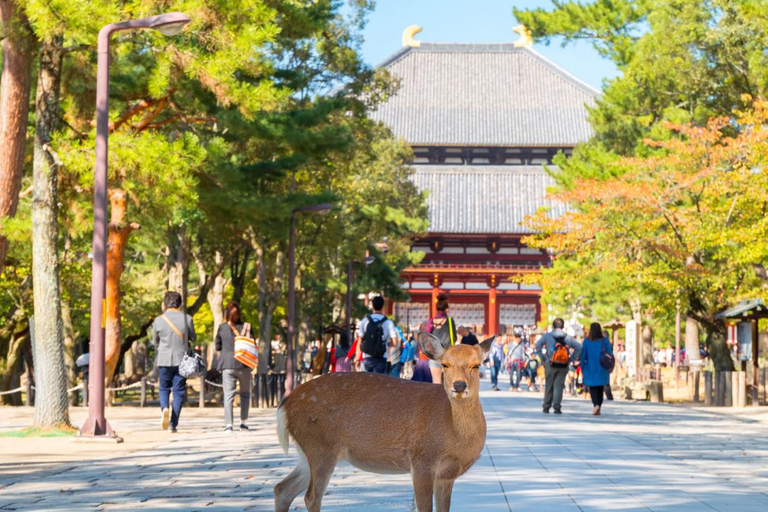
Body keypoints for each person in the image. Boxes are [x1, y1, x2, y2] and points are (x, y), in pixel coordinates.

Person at [152, 291, 196, 433]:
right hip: (182, 359)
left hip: (164, 359)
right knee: (179, 391)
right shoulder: (187, 319)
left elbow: (155, 342)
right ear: (180, 303)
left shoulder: (158, 320)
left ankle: (164, 407)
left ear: (165, 303)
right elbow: (193, 337)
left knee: (164, 388)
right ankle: (173, 424)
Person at [214, 301, 252, 432]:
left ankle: (229, 424)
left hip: (228, 365)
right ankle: (243, 422)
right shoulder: (247, 327)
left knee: (228, 395)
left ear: (226, 314)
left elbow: (217, 346)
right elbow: (252, 344)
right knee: (245, 394)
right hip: (244, 365)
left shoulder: (222, 328)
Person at [535, 318, 581, 414]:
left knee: (549, 385)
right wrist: (571, 359)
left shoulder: (547, 336)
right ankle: (557, 407)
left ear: (553, 326)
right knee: (558, 385)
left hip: (550, 363)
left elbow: (537, 345)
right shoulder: (568, 338)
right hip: (563, 364)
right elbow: (578, 347)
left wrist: (543, 358)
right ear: (563, 326)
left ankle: (546, 406)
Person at [356, 296, 399, 374]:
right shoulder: (388, 322)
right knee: (379, 384)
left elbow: (360, 341)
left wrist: (357, 359)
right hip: (381, 358)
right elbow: (395, 342)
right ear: (383, 306)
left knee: (367, 383)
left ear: (372, 306)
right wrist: (386, 344)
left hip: (367, 357)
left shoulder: (365, 321)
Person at [581, 322, 614, 415]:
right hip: (602, 367)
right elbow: (609, 354)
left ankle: (596, 404)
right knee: (600, 388)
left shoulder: (587, 341)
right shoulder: (605, 341)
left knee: (592, 387)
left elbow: (583, 355)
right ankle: (598, 405)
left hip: (590, 367)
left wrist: (582, 366)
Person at [425, 293, 457, 384]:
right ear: (446, 309)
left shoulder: (431, 321)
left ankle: (437, 398)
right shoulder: (450, 321)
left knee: (436, 382)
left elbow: (428, 337)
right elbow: (454, 338)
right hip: (447, 354)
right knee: (448, 382)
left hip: (434, 354)